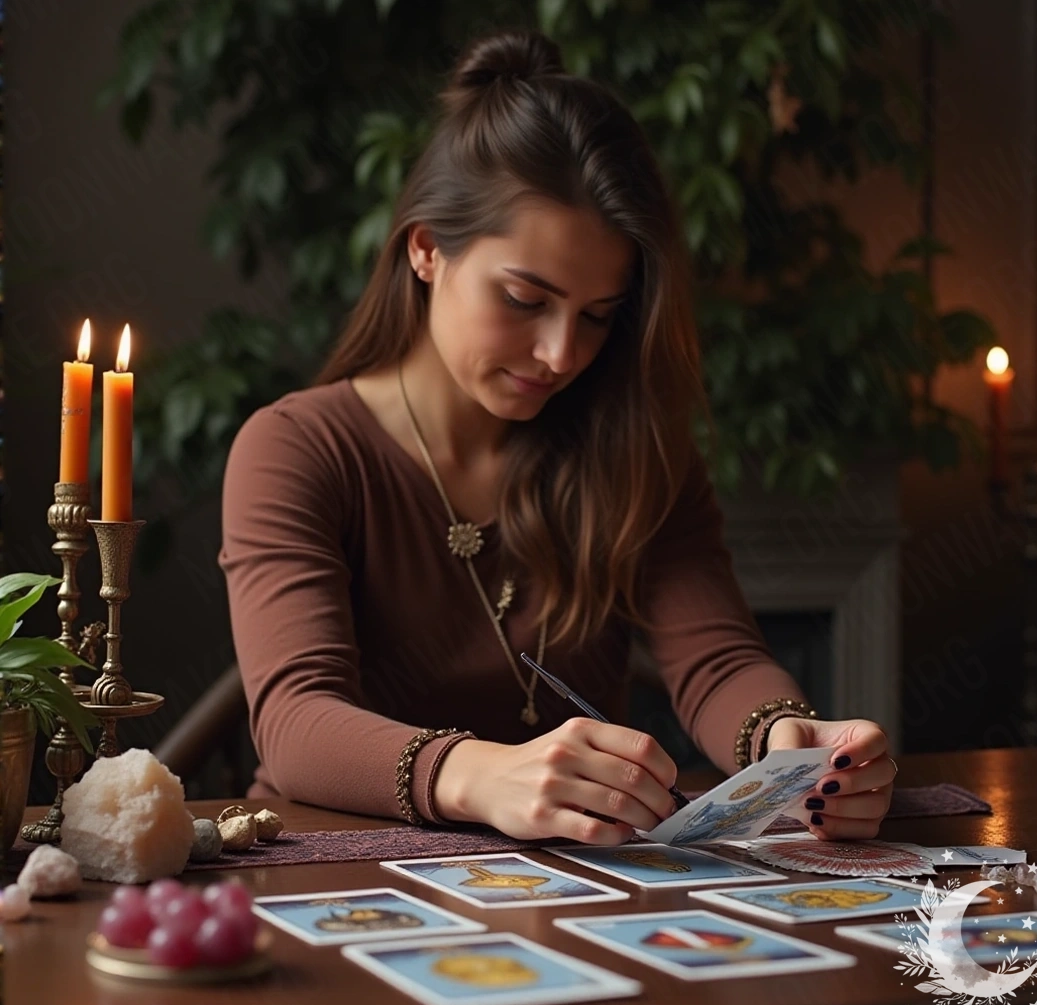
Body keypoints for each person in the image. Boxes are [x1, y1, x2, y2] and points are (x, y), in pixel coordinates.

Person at [220, 28, 897, 846]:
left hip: (568, 885)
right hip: (332, 869)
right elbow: (295, 721)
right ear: (427, 250)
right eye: (524, 298)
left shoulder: (631, 442)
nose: (561, 354)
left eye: (599, 317)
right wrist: (480, 774)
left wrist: (788, 746)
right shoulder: (296, 447)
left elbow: (716, 663)